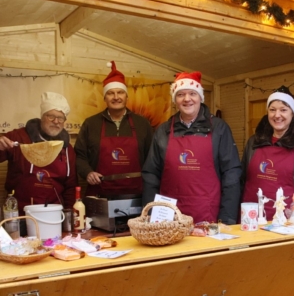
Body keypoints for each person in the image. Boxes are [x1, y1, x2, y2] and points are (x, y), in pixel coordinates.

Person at [142, 71, 241, 224]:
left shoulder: (219, 128)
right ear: (175, 100)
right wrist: (150, 214)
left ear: (200, 97)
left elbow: (231, 174)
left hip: (209, 216)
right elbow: (151, 175)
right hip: (169, 219)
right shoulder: (163, 131)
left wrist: (227, 218)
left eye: (192, 93)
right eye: (181, 94)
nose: (187, 99)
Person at [75, 61, 154, 197]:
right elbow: (79, 156)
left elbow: (152, 159)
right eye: (111, 93)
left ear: (126, 96)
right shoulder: (91, 123)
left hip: (136, 195)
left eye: (120, 92)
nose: (116, 97)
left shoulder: (142, 124)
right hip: (99, 194)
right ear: (104, 97)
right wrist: (88, 172)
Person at [241, 85, 294, 221]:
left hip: (285, 221)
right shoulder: (254, 141)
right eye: (272, 110)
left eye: (283, 110)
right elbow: (242, 179)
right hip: (250, 218)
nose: (277, 115)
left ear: (292, 113)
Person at [0, 92, 77, 214]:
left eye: (61, 118)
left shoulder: (68, 150)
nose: (56, 121)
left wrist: (69, 214)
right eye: (51, 116)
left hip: (54, 214)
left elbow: (70, 187)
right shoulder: (18, 137)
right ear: (42, 116)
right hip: (19, 214)